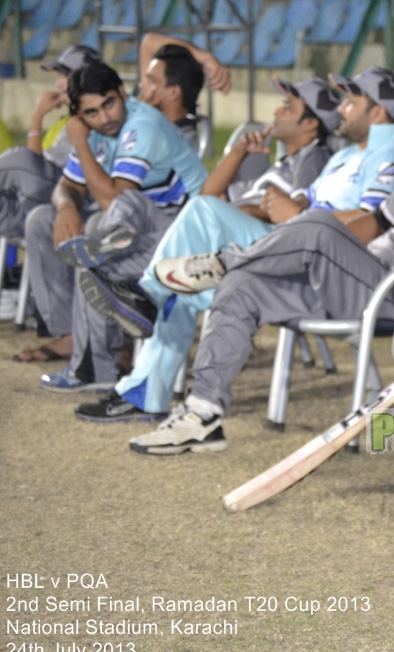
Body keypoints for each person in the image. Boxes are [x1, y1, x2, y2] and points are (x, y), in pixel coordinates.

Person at [126, 72, 394, 455]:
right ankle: (202, 414)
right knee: (243, 286)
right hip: (361, 279)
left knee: (318, 225)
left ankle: (223, 262)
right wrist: (322, 238)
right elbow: (371, 225)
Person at [73, 76, 341, 422]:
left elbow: (295, 219)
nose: (276, 111)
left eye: (289, 108)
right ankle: (143, 394)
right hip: (242, 248)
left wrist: (239, 212)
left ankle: (145, 293)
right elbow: (209, 194)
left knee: (198, 221)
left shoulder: (315, 159)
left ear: (311, 125)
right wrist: (239, 152)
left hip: (277, 256)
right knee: (180, 286)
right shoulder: (281, 164)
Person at [14, 44, 212, 363]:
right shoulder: (96, 126)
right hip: (141, 220)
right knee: (42, 219)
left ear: (120, 93)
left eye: (109, 104)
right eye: (92, 112)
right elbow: (68, 187)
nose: (104, 117)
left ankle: (108, 343)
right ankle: (72, 334)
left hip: (184, 227)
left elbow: (117, 200)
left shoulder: (142, 124)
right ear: (80, 113)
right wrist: (66, 207)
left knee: (97, 229)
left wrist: (78, 140)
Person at [2, 47, 103, 363]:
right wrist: (37, 118)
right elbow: (36, 167)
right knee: (31, 210)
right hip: (52, 196)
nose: (59, 83)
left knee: (17, 160)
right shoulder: (65, 121)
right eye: (59, 75)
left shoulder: (101, 116)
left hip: (84, 199)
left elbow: (28, 166)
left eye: (65, 75)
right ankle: (67, 334)